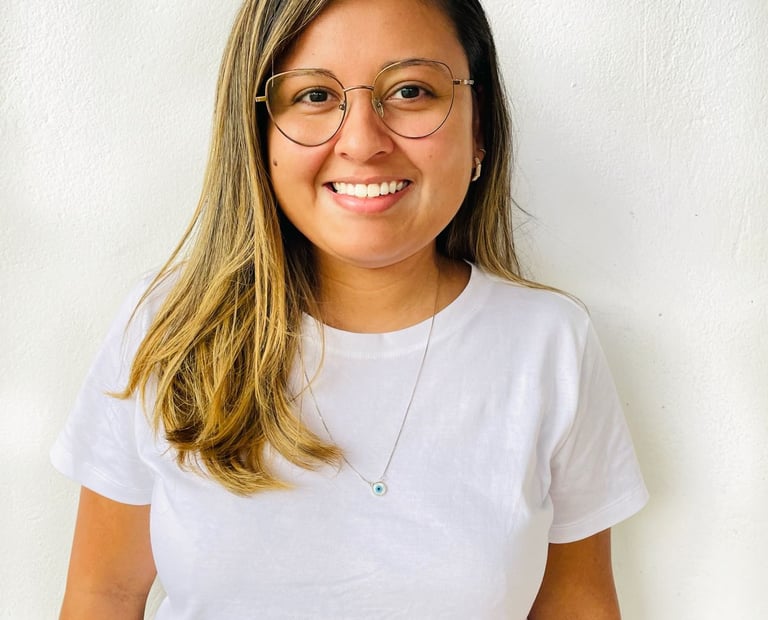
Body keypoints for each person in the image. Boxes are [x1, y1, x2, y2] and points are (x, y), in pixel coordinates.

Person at [52, 0, 648, 618]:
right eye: (314, 96)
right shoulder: (167, 326)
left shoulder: (549, 344)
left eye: (411, 91)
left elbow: (577, 603)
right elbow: (105, 594)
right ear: (255, 133)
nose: (362, 143)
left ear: (480, 131)